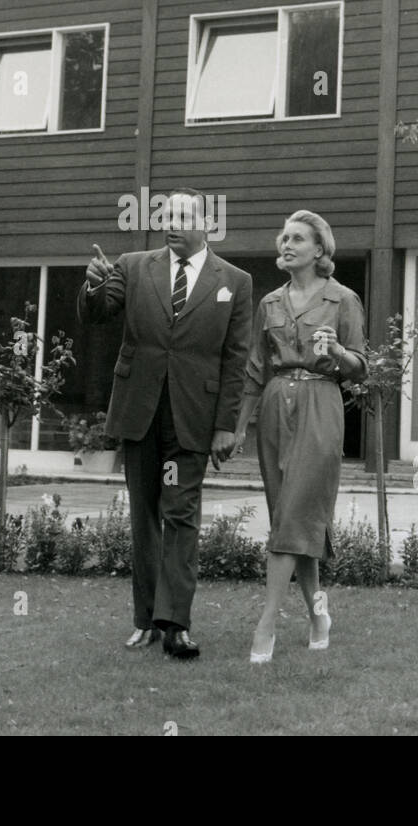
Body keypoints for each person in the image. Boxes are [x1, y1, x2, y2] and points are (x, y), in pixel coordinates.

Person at [77, 187, 252, 659]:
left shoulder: (235, 282)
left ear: (206, 224)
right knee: (144, 517)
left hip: (193, 418)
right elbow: (99, 312)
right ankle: (145, 620)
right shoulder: (133, 267)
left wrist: (225, 425)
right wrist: (94, 284)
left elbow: (236, 361)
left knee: (181, 515)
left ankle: (175, 624)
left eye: (181, 215)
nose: (171, 223)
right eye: (165, 215)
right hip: (141, 412)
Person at [233, 210, 367, 664]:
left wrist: (339, 352)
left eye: (297, 239)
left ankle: (266, 624)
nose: (285, 245)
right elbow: (255, 368)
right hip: (274, 406)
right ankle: (318, 614)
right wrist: (238, 429)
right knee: (294, 520)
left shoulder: (342, 299)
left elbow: (361, 368)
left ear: (319, 250)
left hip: (320, 404)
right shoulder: (270, 302)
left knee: (292, 518)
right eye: (283, 237)